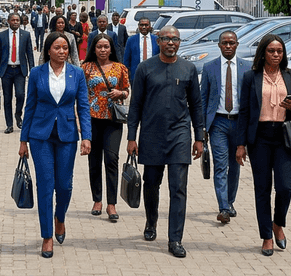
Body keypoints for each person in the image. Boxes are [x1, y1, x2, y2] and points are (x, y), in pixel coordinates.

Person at [126, 26, 203, 258]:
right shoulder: (145, 68)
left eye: (175, 39)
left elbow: (197, 106)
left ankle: (175, 239)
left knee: (178, 188)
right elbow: (135, 105)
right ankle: (151, 222)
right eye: (167, 39)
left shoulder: (188, 69)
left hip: (180, 134)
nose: (171, 43)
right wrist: (131, 136)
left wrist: (199, 137)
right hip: (151, 134)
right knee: (151, 184)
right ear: (158, 41)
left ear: (180, 43)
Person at [18, 31, 92, 259]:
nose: (62, 52)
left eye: (65, 48)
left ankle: (60, 218)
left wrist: (86, 136)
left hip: (67, 135)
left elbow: (83, 107)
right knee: (45, 185)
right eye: (57, 48)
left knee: (65, 185)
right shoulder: (37, 73)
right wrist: (23, 140)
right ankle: (47, 236)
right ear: (48, 50)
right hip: (40, 136)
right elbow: (29, 108)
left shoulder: (77, 74)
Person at [235, 34, 291, 257]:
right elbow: (244, 113)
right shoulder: (251, 77)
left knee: (284, 186)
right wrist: (240, 144)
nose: (276, 55)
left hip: (283, 136)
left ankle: (278, 224)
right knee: (262, 189)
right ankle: (266, 236)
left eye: (279, 51)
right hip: (260, 138)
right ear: (263, 52)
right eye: (271, 51)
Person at [199, 31, 251, 224]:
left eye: (231, 43)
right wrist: (202, 127)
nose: (228, 46)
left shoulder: (247, 67)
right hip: (218, 123)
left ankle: (230, 201)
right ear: (219, 45)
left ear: (237, 45)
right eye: (224, 43)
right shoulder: (209, 67)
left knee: (235, 165)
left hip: (239, 123)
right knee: (220, 166)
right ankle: (223, 208)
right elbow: (203, 98)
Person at [81, 33, 129, 223]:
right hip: (91, 119)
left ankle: (112, 204)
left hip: (113, 119)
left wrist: (121, 92)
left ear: (111, 49)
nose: (102, 50)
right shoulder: (85, 68)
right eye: (99, 47)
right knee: (94, 161)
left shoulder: (120, 68)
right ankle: (97, 200)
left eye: (106, 47)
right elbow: (79, 94)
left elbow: (127, 90)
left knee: (111, 159)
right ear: (94, 48)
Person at [0, 12, 35, 133]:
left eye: (17, 20)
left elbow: (30, 55)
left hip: (19, 70)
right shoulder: (1, 36)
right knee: (7, 98)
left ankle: (18, 114)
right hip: (6, 70)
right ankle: (9, 124)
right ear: (8, 21)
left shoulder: (25, 35)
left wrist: (33, 70)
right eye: (13, 20)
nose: (15, 22)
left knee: (21, 95)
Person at [122, 17, 159, 86]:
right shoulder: (131, 40)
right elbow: (126, 59)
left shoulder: (156, 40)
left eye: (146, 25)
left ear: (150, 26)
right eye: (141, 25)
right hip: (136, 75)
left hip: (153, 74)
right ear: (138, 26)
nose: (144, 27)